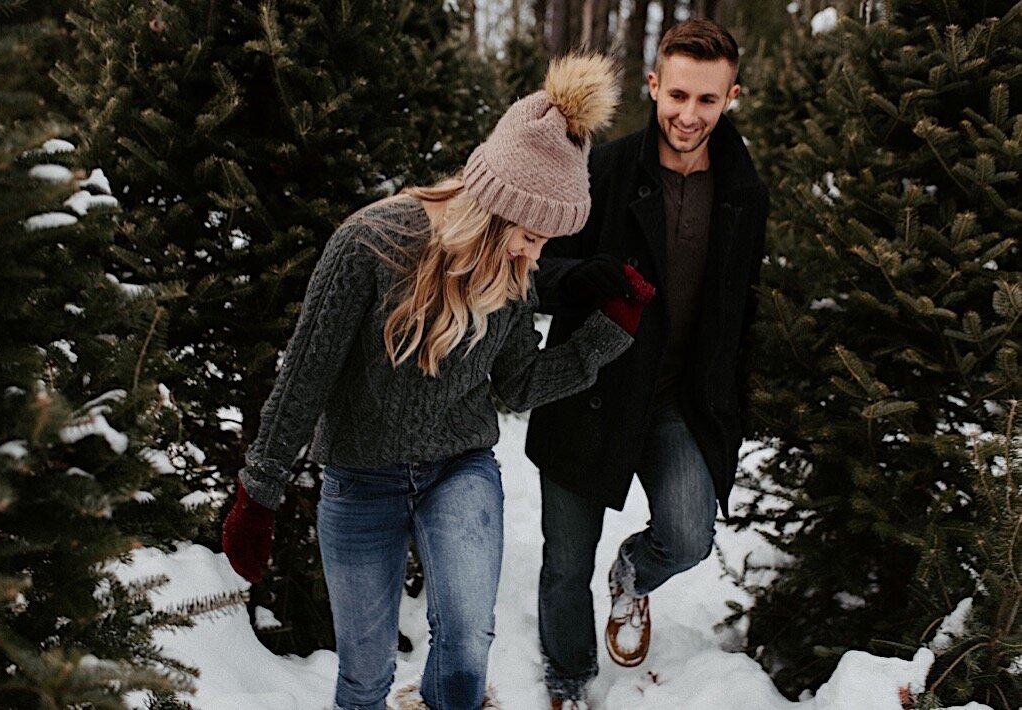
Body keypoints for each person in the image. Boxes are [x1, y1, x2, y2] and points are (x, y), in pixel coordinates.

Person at [221, 54, 656, 710]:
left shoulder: (511, 277)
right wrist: (260, 491)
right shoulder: (368, 244)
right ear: (494, 212)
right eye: (532, 236)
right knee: (363, 677)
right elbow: (304, 376)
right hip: (358, 478)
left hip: (458, 468)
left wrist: (605, 336)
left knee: (464, 644)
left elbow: (513, 386)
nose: (535, 256)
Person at [525, 19, 769, 709]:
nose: (688, 116)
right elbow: (534, 268)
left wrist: (729, 399)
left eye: (708, 101)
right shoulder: (601, 169)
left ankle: (631, 576)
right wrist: (588, 279)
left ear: (731, 98)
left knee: (689, 536)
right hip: (589, 386)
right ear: (655, 85)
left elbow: (741, 305)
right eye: (678, 95)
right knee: (564, 565)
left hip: (676, 401)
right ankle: (568, 679)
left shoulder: (744, 194)